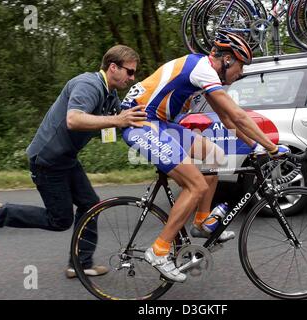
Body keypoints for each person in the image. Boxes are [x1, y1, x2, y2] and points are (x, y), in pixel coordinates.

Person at [121, 31, 289, 282]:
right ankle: (159, 250)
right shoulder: (203, 70)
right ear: (228, 60)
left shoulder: (205, 71)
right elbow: (239, 115)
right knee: (196, 184)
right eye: (241, 66)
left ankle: (201, 221)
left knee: (215, 156)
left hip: (159, 123)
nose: (240, 74)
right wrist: (272, 148)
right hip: (141, 122)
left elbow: (227, 117)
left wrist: (255, 146)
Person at [0, 45, 147, 278]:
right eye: (129, 72)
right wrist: (117, 120)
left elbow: (119, 123)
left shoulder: (109, 95)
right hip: (47, 160)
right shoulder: (88, 85)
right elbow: (74, 119)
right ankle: (1, 214)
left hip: (66, 159)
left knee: (90, 204)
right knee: (60, 220)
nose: (132, 78)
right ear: (113, 67)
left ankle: (80, 263)